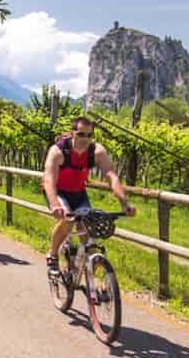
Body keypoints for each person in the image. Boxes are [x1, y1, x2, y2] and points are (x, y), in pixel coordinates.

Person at [42, 116, 135, 275]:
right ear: (72, 133)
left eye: (89, 135)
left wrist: (124, 203)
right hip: (58, 192)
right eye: (81, 134)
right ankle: (52, 254)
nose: (85, 139)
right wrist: (55, 205)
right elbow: (49, 180)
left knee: (89, 231)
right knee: (68, 220)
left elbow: (111, 176)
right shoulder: (58, 150)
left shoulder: (97, 151)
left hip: (78, 193)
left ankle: (87, 271)